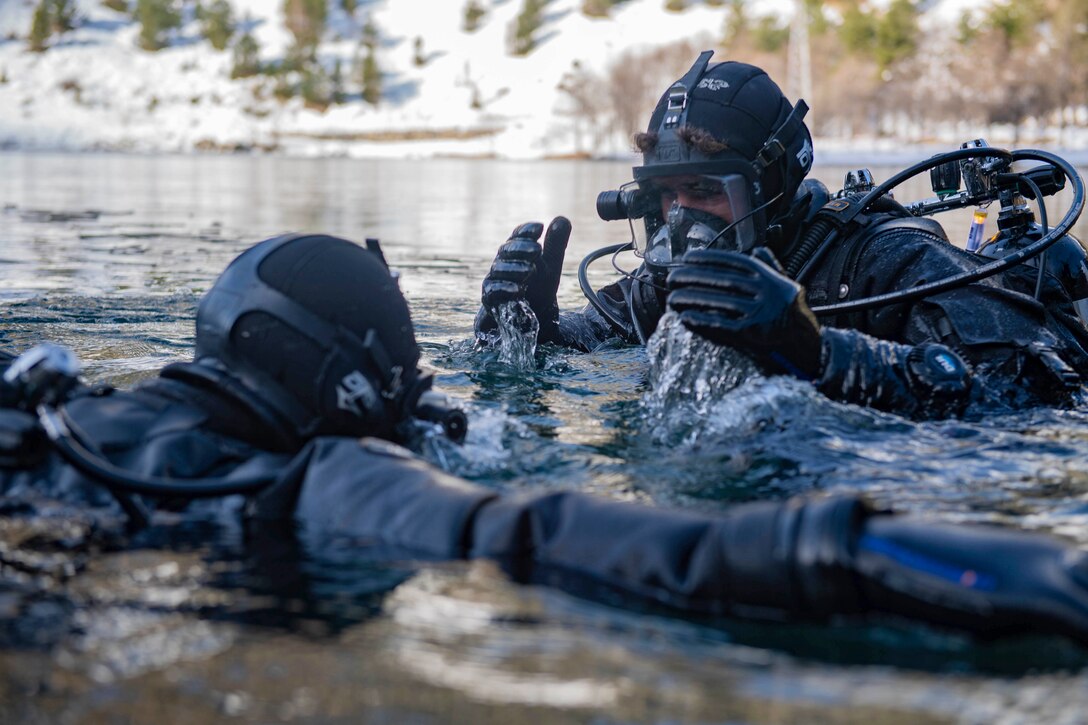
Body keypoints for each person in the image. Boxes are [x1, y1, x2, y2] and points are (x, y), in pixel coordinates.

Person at [4, 232, 1088, 645]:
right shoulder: (323, 477)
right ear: (348, 391)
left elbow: (1017, 390)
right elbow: (580, 537)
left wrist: (814, 349)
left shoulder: (56, 406)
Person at [475, 51, 1088, 418]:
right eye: (667, 195)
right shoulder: (664, 282)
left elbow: (1030, 393)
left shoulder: (884, 260)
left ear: (772, 185)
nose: (684, 217)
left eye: (708, 192)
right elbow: (587, 348)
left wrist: (816, 353)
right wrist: (528, 328)